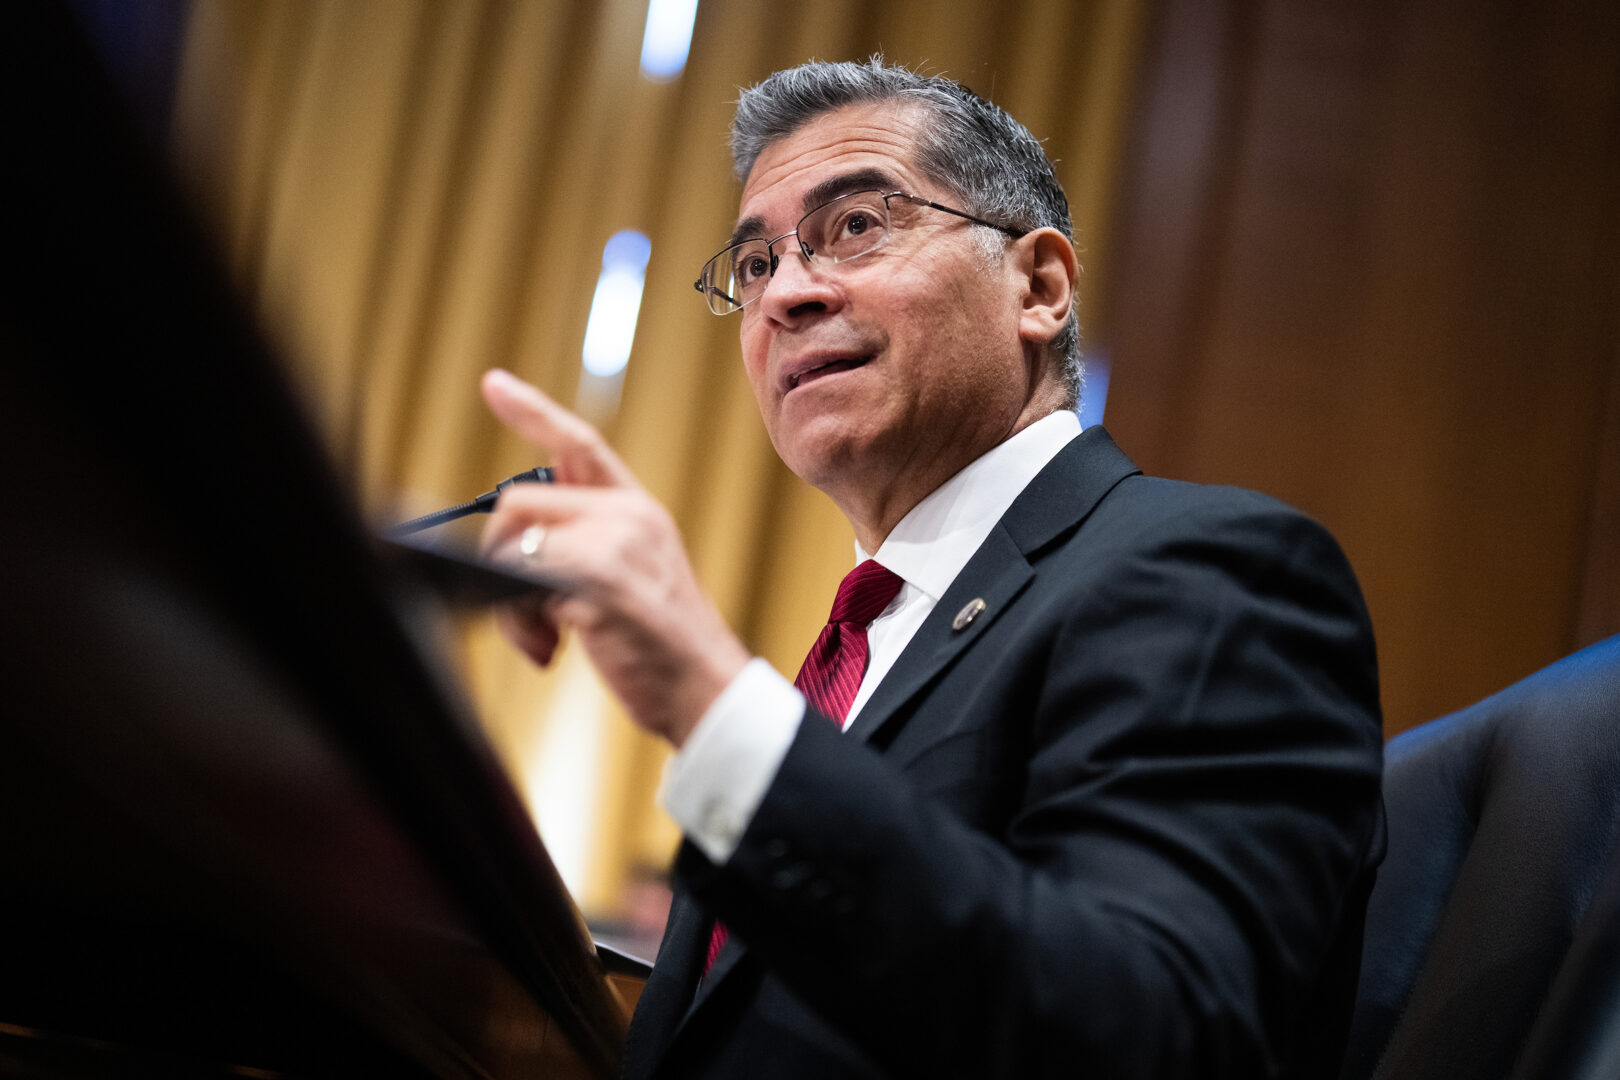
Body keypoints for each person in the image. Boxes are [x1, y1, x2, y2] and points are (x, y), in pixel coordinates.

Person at [480, 58, 1384, 1080]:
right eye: (757, 263)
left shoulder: (1214, 575)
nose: (789, 294)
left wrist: (709, 702)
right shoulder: (861, 657)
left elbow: (1155, 1039)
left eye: (856, 224)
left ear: (1037, 286)